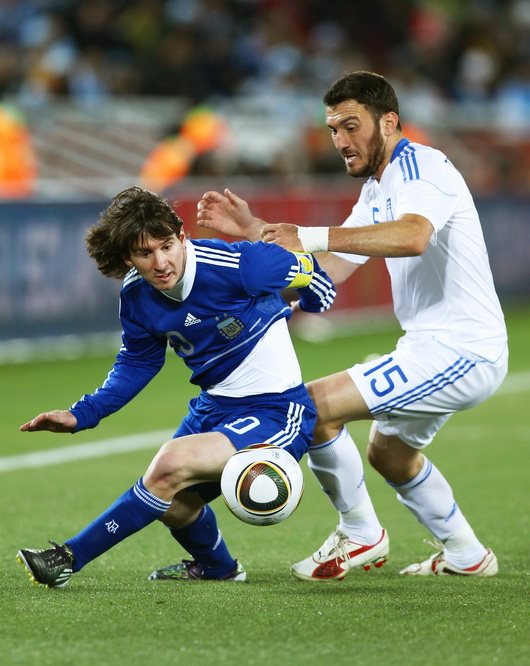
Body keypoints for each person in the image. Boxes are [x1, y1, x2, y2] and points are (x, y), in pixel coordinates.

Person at [196, 70, 508, 579]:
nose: (341, 141)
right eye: (333, 129)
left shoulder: (422, 167)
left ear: (388, 121)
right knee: (391, 456)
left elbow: (412, 237)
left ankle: (361, 534)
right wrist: (256, 234)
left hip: (462, 348)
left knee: (311, 406)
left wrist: (310, 234)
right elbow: (327, 271)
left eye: (351, 126)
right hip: (428, 346)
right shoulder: (378, 187)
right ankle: (467, 556)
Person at [16, 185, 336, 588]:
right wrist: (82, 414)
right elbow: (138, 363)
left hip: (277, 410)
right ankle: (219, 568)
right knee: (171, 504)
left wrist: (309, 301)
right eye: (144, 253)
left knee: (170, 463)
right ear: (128, 257)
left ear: (182, 236)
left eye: (167, 246)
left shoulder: (240, 266)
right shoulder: (136, 295)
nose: (160, 262)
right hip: (213, 408)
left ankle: (65, 559)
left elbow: (310, 272)